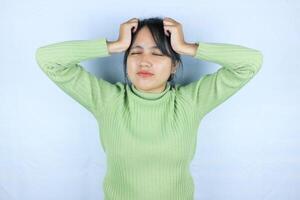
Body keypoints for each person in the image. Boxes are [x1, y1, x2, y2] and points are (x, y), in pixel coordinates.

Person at [35, 17, 263, 200]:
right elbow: (47, 59)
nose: (144, 61)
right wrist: (114, 45)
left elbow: (250, 63)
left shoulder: (190, 102)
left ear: (174, 65)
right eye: (135, 52)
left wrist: (187, 47)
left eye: (157, 53)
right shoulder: (108, 101)